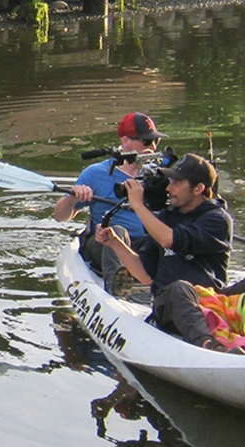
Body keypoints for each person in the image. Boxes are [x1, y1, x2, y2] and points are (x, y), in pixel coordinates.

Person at [95, 153, 233, 351]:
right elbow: (145, 275)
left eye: (177, 183)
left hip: (212, 302)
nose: (169, 188)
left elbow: (169, 240)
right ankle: (209, 345)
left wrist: (138, 205)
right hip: (170, 304)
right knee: (180, 288)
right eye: (170, 182)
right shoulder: (166, 218)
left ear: (198, 189)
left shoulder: (216, 219)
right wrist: (114, 242)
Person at [54, 112, 168, 287]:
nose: (152, 147)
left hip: (144, 245)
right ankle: (116, 285)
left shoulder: (162, 176)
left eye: (155, 141)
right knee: (116, 232)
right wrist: (72, 197)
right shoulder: (95, 174)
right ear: (125, 141)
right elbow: (59, 217)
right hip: (105, 243)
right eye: (146, 141)